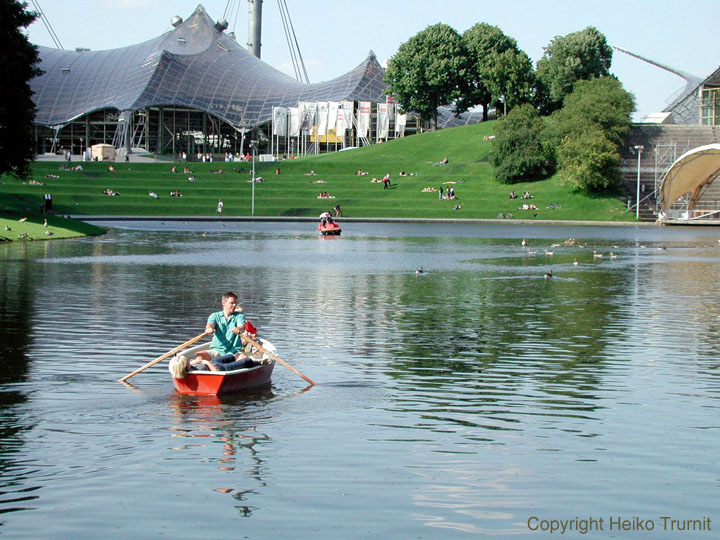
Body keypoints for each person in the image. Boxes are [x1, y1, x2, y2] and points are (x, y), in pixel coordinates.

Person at [194, 292, 248, 363]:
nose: (234, 305)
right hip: (217, 351)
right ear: (223, 303)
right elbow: (210, 324)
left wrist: (239, 329)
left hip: (234, 351)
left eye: (235, 303)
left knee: (244, 358)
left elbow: (241, 326)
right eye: (232, 303)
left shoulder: (239, 315)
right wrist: (209, 328)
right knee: (199, 355)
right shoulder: (215, 316)